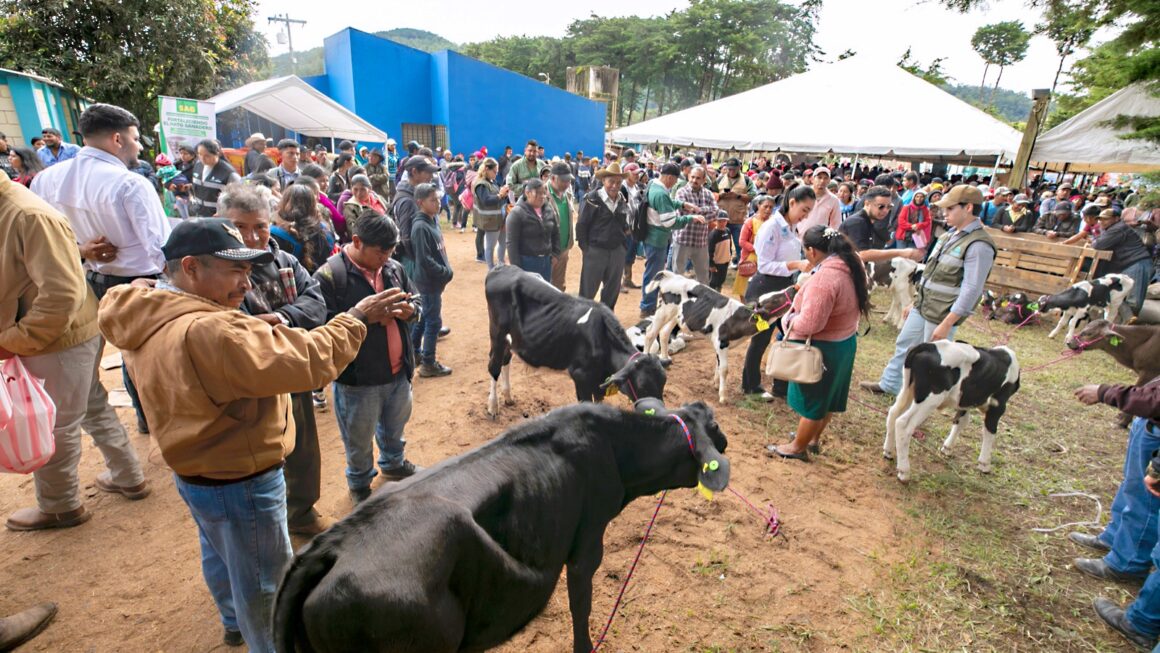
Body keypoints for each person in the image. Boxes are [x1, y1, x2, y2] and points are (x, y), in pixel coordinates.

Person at [99, 217, 398, 652]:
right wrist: (356, 317)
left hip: (195, 469)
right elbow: (309, 360)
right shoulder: (214, 330)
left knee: (220, 554)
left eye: (247, 270)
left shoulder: (145, 307)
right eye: (234, 270)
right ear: (190, 268)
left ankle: (232, 620)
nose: (247, 281)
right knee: (267, 585)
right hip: (241, 475)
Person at [2, 166, 150, 532]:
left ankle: (60, 506)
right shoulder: (18, 210)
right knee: (90, 403)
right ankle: (129, 475)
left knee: (56, 422)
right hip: (57, 336)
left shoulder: (26, 213)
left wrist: (14, 340)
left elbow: (61, 296)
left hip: (55, 339)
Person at [32, 102, 170, 436]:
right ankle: (157, 419)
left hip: (86, 280)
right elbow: (161, 246)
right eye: (136, 139)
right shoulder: (130, 184)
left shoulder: (46, 180)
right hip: (139, 284)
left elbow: (48, 238)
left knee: (113, 354)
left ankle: (143, 419)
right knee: (144, 354)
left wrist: (81, 251)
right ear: (117, 139)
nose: (139, 146)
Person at [220, 184, 330, 537]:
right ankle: (266, 527)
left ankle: (300, 511)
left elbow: (316, 302)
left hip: (291, 372)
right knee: (257, 457)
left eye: (260, 227)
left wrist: (280, 320)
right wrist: (260, 327)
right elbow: (226, 326)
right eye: (240, 227)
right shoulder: (214, 269)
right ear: (222, 224)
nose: (252, 237)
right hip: (243, 384)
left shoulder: (285, 260)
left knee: (302, 447)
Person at [315, 213, 423, 503]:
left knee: (395, 426)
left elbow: (416, 301)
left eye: (391, 251)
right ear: (357, 242)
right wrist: (362, 318)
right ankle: (360, 484)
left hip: (398, 373)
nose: (386, 258)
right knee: (358, 440)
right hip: (358, 381)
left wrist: (410, 312)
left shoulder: (394, 269)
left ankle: (393, 462)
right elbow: (320, 331)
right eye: (380, 252)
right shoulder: (330, 276)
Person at [861, 185, 996, 396]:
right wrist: (915, 302)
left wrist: (947, 323)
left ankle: (917, 403)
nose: (944, 213)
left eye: (950, 209)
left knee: (931, 360)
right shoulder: (949, 236)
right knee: (905, 344)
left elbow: (971, 289)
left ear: (968, 207)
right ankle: (890, 384)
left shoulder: (979, 245)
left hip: (942, 312)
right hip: (923, 305)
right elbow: (931, 276)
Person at [1069, 379, 1160, 650]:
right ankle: (1117, 541)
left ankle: (1128, 563)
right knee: (1132, 488)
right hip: (1150, 422)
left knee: (1144, 503)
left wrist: (1106, 392)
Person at [767, 226, 870, 461]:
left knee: (813, 400)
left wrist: (788, 319)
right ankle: (812, 439)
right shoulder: (851, 263)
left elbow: (811, 324)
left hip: (822, 349)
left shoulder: (825, 279)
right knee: (828, 398)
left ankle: (797, 447)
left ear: (812, 251)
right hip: (843, 343)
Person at [741, 185, 816, 400]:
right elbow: (764, 265)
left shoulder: (792, 228)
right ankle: (750, 384)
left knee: (786, 333)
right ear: (791, 203)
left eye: (809, 211)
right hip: (765, 290)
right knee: (761, 337)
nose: (805, 216)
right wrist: (795, 264)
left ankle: (781, 384)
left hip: (785, 289)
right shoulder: (770, 227)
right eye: (804, 209)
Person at [639, 162, 703, 316]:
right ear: (669, 177)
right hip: (657, 239)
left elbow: (663, 205)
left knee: (653, 272)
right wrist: (690, 218)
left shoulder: (653, 184)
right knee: (653, 274)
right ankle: (647, 307)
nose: (676, 183)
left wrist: (681, 204)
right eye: (675, 180)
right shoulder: (661, 193)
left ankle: (648, 304)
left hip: (651, 235)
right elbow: (670, 222)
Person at [409, 183, 453, 377]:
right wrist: (444, 272)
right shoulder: (420, 226)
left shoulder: (431, 220)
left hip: (434, 281)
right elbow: (424, 260)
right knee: (433, 322)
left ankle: (413, 353)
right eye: (432, 200)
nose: (437, 203)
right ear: (420, 202)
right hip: (428, 282)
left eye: (437, 199)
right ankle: (428, 362)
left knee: (424, 317)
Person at [577, 162, 630, 308]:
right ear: (603, 181)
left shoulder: (622, 199)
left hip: (616, 251)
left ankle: (605, 320)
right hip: (595, 251)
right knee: (587, 291)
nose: (614, 185)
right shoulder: (591, 199)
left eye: (618, 182)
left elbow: (623, 223)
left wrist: (623, 245)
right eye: (611, 181)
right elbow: (581, 225)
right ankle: (581, 323)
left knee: (612, 291)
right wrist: (586, 250)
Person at [1092, 208, 1154, 317]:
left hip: (1137, 264)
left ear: (1116, 219)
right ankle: (1117, 326)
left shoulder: (1118, 229)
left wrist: (1093, 241)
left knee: (1133, 301)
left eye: (1105, 219)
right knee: (1120, 297)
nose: (1101, 222)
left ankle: (1126, 328)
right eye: (1100, 219)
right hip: (1129, 264)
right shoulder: (1112, 229)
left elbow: (1098, 245)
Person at [506, 178, 560, 281]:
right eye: (539, 193)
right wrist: (517, 269)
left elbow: (555, 233)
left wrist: (556, 254)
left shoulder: (548, 210)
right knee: (527, 295)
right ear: (527, 193)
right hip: (526, 263)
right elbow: (511, 243)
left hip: (546, 262)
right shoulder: (516, 213)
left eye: (544, 193)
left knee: (544, 293)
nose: (542, 197)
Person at [393, 156, 440, 273]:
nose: (431, 177)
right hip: (414, 263)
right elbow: (407, 238)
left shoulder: (415, 195)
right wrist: (421, 264)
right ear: (414, 172)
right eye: (428, 172)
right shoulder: (408, 201)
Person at [673, 166, 720, 284]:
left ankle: (702, 301)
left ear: (704, 180)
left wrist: (696, 211)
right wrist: (704, 212)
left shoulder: (708, 194)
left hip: (701, 242)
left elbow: (715, 212)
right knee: (677, 275)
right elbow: (684, 212)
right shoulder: (681, 192)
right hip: (683, 239)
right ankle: (675, 300)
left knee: (703, 277)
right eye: (692, 177)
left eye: (698, 178)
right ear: (688, 177)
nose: (694, 180)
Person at [715, 157, 757, 265]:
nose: (731, 171)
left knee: (740, 245)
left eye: (734, 169)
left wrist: (738, 196)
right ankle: (723, 265)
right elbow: (711, 194)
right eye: (729, 169)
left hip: (738, 219)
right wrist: (720, 195)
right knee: (722, 245)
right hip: (722, 218)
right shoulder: (719, 179)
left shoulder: (747, 180)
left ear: (739, 168)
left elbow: (753, 195)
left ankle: (741, 265)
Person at [733, 194, 775, 298]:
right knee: (745, 288)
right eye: (765, 206)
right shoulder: (750, 222)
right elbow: (742, 241)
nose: (768, 209)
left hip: (768, 258)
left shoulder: (773, 222)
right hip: (751, 258)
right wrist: (757, 249)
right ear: (758, 206)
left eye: (771, 207)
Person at [472, 157, 510, 269]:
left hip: (500, 219)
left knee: (503, 243)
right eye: (494, 171)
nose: (496, 174)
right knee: (490, 246)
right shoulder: (481, 184)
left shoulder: (492, 182)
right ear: (487, 169)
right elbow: (486, 200)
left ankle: (501, 264)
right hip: (491, 221)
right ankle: (490, 269)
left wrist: (504, 193)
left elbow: (498, 198)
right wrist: (500, 195)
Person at [190, 138, 241, 217]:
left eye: (207, 156)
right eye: (199, 154)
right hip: (199, 214)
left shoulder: (229, 173)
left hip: (218, 217)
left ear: (217, 153)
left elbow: (238, 198)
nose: (202, 158)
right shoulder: (197, 166)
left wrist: (223, 212)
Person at [547, 161, 577, 290]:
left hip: (563, 248)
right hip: (546, 251)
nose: (567, 184)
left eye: (569, 180)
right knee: (542, 286)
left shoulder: (567, 195)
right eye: (563, 181)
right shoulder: (540, 194)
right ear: (553, 178)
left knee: (559, 286)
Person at [840, 185, 893, 251]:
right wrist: (900, 253)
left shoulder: (868, 220)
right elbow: (862, 254)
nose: (885, 210)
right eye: (881, 206)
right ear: (867, 204)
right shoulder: (857, 222)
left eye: (889, 207)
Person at [797, 166, 841, 236]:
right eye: (819, 177)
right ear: (812, 179)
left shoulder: (834, 200)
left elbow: (836, 224)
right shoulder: (802, 194)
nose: (822, 181)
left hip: (819, 241)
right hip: (799, 237)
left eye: (825, 178)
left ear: (829, 181)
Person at [707, 215, 733, 291]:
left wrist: (729, 255)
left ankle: (718, 293)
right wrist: (711, 265)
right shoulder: (713, 235)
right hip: (716, 263)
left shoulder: (727, 231)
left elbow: (729, 244)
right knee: (713, 282)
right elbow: (709, 251)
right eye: (720, 221)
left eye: (724, 221)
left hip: (725, 261)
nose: (722, 223)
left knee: (721, 280)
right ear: (716, 221)